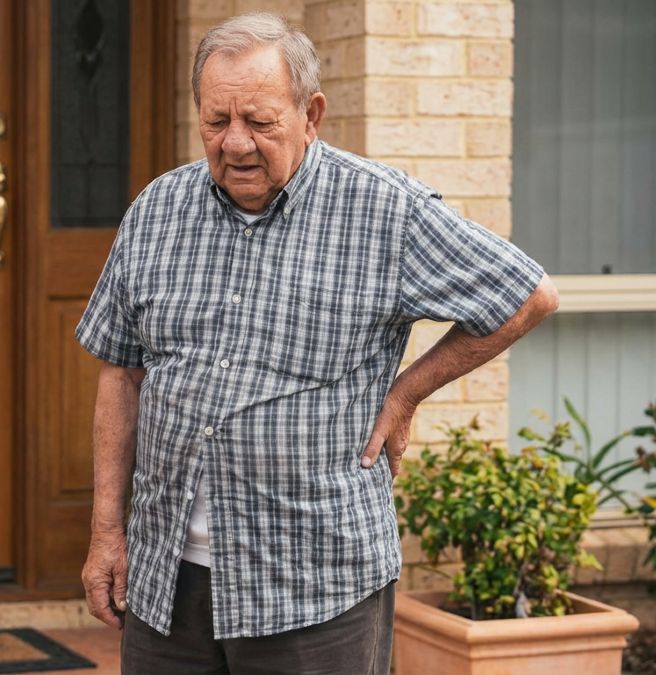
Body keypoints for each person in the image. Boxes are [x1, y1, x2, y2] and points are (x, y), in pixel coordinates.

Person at [75, 11, 559, 675]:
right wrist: (107, 533)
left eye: (260, 121)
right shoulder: (157, 210)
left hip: (313, 584)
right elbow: (120, 374)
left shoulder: (384, 210)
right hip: (168, 583)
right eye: (217, 121)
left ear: (312, 113)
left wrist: (407, 392)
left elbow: (526, 295)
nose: (236, 143)